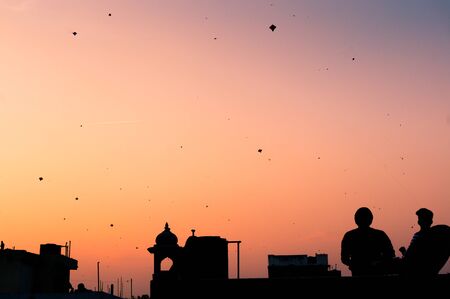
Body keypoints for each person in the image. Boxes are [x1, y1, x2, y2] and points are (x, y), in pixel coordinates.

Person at [341, 207, 395, 276]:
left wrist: (356, 265)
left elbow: (344, 259)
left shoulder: (349, 236)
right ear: (371, 219)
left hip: (358, 273)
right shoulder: (380, 235)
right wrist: (378, 263)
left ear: (356, 219)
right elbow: (390, 254)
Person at [400, 208, 450, 276]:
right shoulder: (439, 234)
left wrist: (403, 254)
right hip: (429, 271)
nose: (419, 220)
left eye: (420, 218)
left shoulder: (419, 236)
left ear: (419, 221)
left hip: (415, 272)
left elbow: (408, 258)